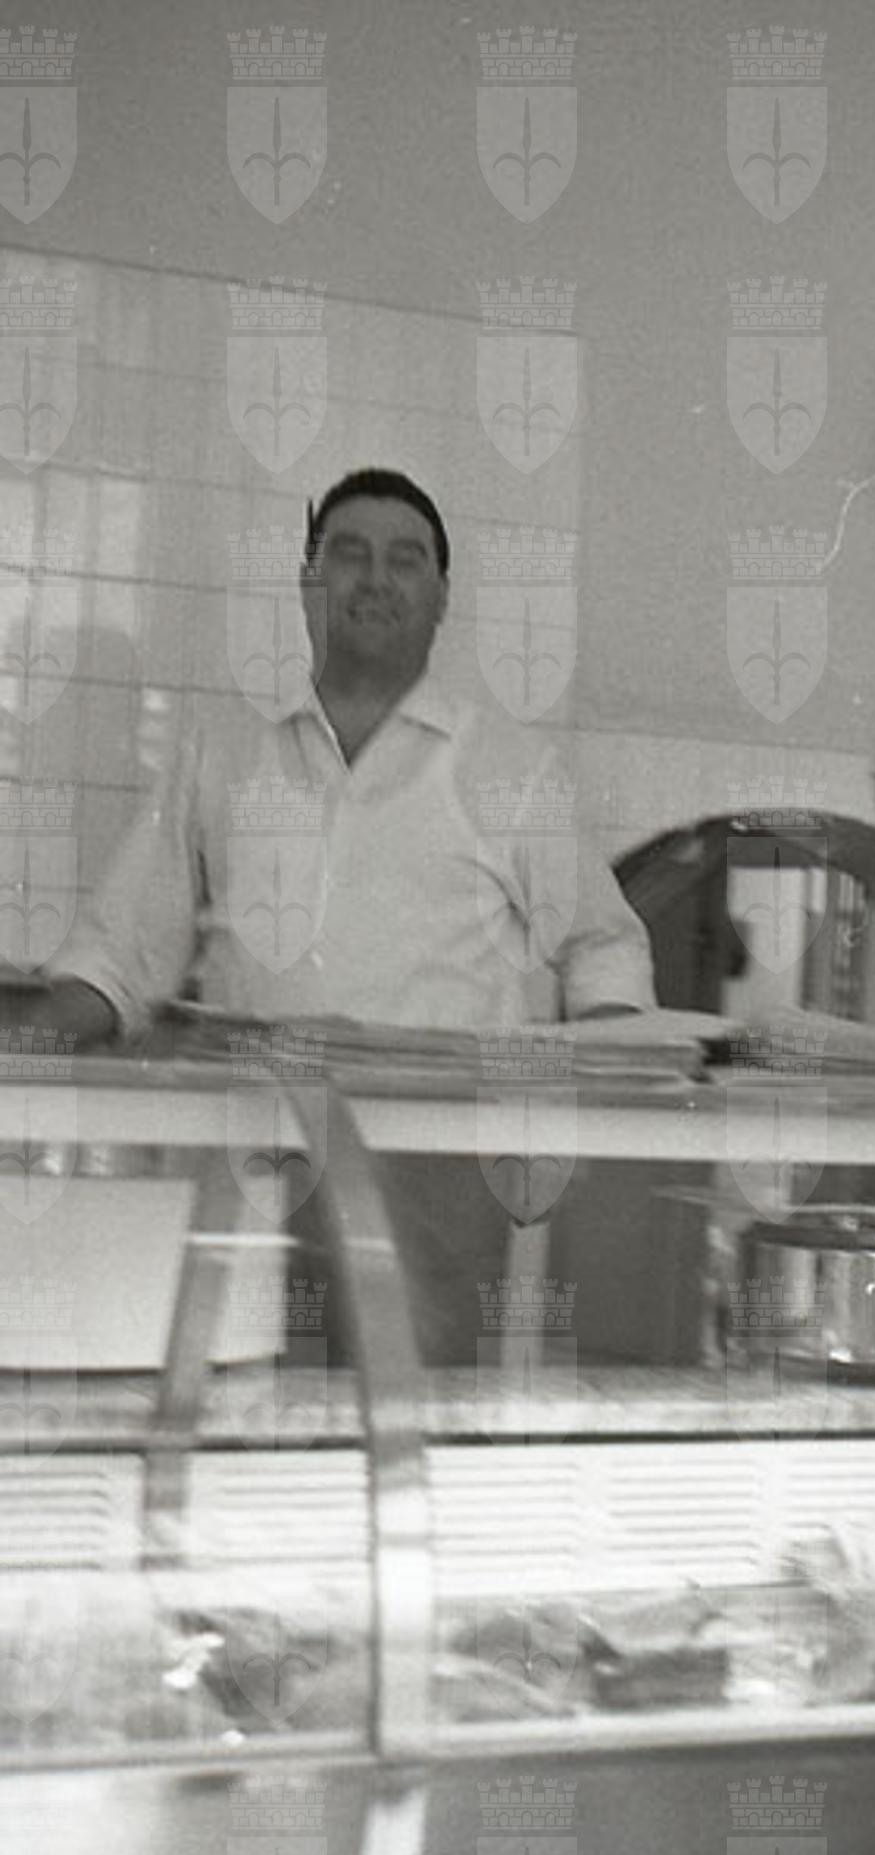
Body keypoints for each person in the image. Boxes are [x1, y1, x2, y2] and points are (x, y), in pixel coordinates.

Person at [5, 467, 657, 1360]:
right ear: (309, 584)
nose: (375, 579)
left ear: (441, 597)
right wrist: (25, 1038)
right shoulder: (221, 754)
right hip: (243, 1165)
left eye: (405, 560)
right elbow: (119, 957)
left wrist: (607, 1099)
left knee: (407, 1415)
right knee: (240, 1396)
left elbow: (601, 947)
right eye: (348, 554)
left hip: (439, 1180)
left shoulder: (510, 769)